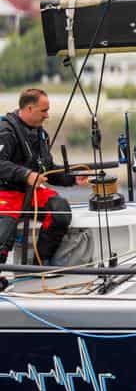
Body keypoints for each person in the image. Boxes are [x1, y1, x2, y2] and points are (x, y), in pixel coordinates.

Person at [0, 89, 87, 264]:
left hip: (31, 192)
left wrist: (72, 178)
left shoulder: (41, 135)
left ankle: (40, 262)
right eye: (44, 111)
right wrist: (26, 175)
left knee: (60, 211)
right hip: (6, 192)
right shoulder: (5, 131)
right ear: (30, 108)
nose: (47, 116)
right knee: (5, 230)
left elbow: (47, 169)